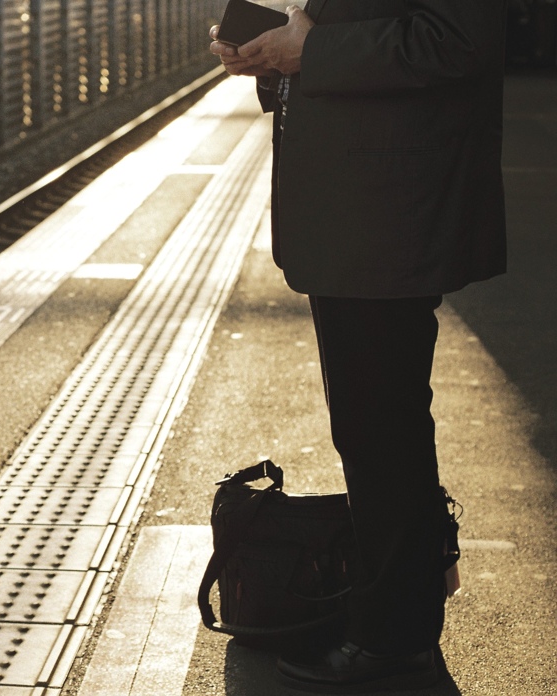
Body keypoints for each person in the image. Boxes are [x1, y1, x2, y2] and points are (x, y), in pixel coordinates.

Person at [209, 1, 507, 693]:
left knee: (381, 422)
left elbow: (458, 38)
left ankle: (392, 638)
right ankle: (408, 591)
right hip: (362, 206)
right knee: (376, 417)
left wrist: (308, 50)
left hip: (387, 208)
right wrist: (270, 56)